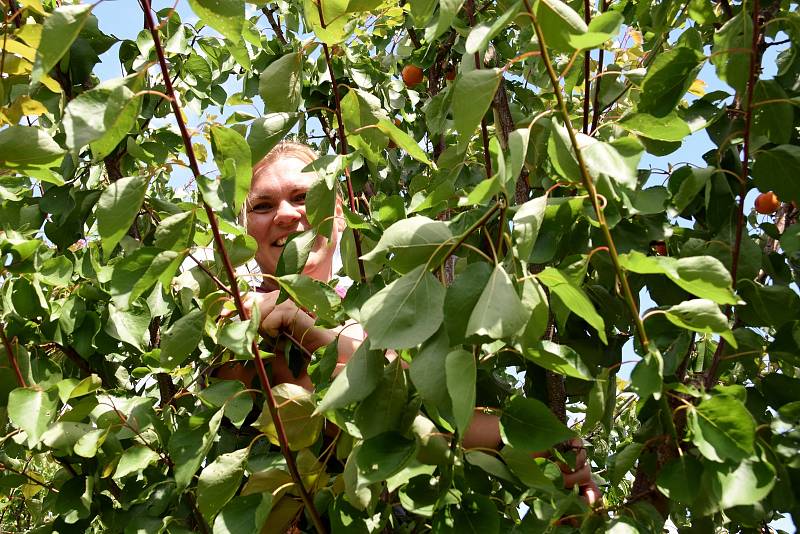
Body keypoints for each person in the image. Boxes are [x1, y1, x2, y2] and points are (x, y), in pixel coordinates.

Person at [216, 140, 600, 504]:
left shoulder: (374, 311)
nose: (285, 214)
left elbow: (428, 412)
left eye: (302, 197)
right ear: (245, 231)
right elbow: (344, 413)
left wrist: (552, 446)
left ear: (337, 216)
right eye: (262, 206)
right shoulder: (240, 314)